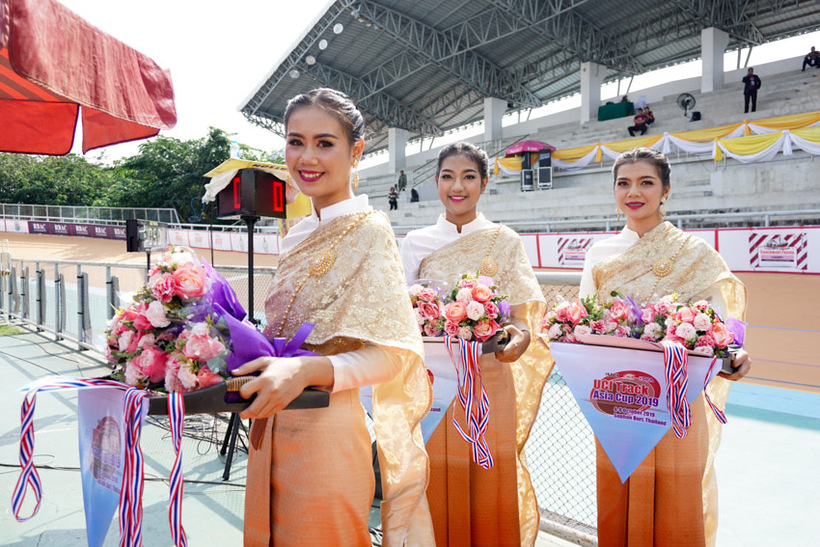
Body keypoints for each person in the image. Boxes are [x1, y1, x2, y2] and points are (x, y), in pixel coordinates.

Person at [233, 88, 434, 546]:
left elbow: (394, 355)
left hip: (326, 434)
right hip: (269, 426)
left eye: (324, 143)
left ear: (356, 150)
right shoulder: (297, 233)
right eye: (295, 141)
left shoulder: (370, 231)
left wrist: (307, 370)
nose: (307, 157)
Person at [579, 148, 752, 547]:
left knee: (678, 496)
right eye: (623, 183)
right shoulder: (599, 254)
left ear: (666, 190)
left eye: (646, 182)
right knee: (619, 492)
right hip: (618, 399)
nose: (633, 192)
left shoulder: (694, 253)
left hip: (678, 400)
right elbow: (585, 322)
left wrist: (732, 355)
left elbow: (718, 324)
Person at [400, 142, 554, 546]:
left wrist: (519, 338)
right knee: (434, 474)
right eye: (448, 176)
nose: (458, 186)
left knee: (489, 478)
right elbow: (401, 313)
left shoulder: (505, 240)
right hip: (434, 384)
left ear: (484, 183)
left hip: (490, 380)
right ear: (436, 182)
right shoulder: (415, 242)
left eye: (468, 177)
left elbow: (522, 318)